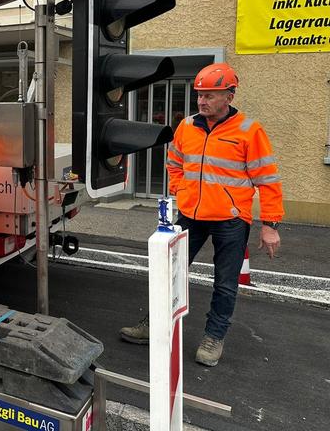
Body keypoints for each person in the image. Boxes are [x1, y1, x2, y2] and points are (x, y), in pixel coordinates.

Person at [120, 63, 284, 367]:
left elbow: (268, 180)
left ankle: (214, 337)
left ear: (229, 96)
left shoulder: (249, 131)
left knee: (225, 283)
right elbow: (174, 163)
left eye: (209, 95)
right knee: (170, 271)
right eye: (199, 95)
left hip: (231, 220)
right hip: (191, 215)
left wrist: (270, 225)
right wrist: (181, 190)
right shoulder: (187, 126)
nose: (201, 101)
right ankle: (155, 324)